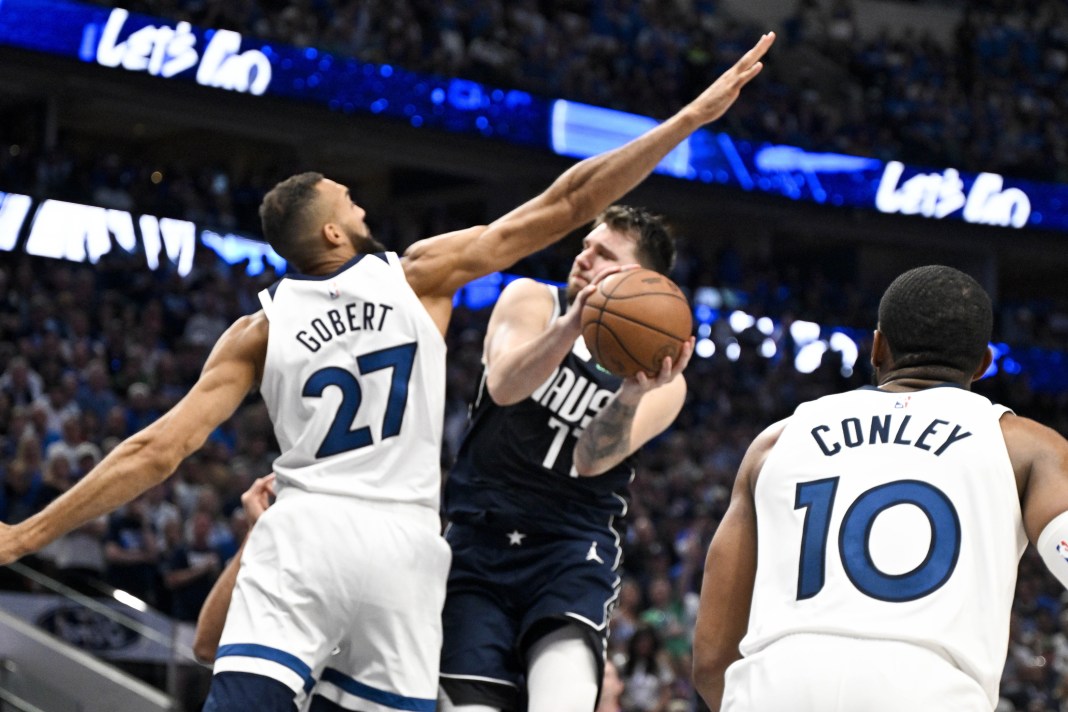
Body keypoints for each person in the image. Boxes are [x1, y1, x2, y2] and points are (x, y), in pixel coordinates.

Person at [0, 30, 775, 712]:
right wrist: (686, 122)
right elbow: (566, 201)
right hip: (406, 553)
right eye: (350, 199)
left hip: (304, 532)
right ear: (334, 230)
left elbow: (154, 453)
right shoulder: (416, 276)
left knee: (224, 672)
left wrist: (24, 534)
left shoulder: (256, 331)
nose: (364, 204)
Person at [692, 265, 1068, 711]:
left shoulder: (776, 442)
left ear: (877, 348)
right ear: (983, 364)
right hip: (930, 693)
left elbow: (713, 658)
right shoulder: (1027, 446)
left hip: (776, 687)